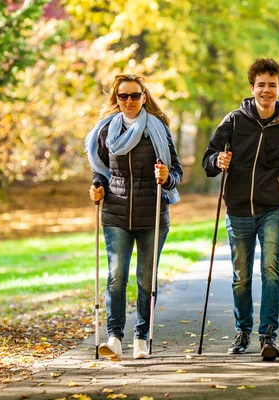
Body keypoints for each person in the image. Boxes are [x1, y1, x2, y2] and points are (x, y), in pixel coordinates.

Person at [202, 58, 279, 361]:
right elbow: (208, 159)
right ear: (252, 87)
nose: (266, 90)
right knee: (241, 275)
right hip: (238, 209)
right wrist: (217, 162)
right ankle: (243, 330)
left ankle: (268, 335)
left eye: (272, 85)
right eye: (261, 85)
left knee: (270, 271)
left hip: (273, 208)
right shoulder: (233, 121)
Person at [85, 74, 183, 361]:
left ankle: (142, 337)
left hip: (152, 215)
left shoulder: (158, 129)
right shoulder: (105, 131)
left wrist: (166, 178)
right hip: (115, 213)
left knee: (145, 279)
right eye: (122, 96)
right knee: (116, 276)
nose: (128, 101)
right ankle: (114, 338)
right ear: (116, 99)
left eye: (134, 96)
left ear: (144, 97)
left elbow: (176, 172)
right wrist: (97, 187)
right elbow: (100, 170)